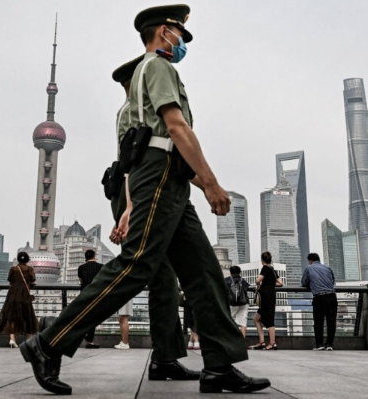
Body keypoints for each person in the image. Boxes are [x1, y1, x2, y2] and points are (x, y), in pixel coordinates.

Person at [18, 5, 270, 395]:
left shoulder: (149, 75)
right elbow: (175, 127)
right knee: (137, 263)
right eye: (180, 34)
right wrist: (211, 182)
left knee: (203, 270)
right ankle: (49, 342)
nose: (183, 42)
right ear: (164, 31)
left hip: (172, 180)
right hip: (163, 172)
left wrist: (192, 186)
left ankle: (219, 365)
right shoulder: (158, 67)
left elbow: (149, 151)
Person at [107, 57, 196, 375]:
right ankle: (53, 340)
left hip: (152, 193)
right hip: (135, 195)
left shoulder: (142, 110)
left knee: (164, 278)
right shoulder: (130, 113)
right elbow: (131, 166)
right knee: (146, 271)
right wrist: (130, 210)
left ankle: (166, 357)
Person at [0, 252, 40, 348]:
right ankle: (29, 341)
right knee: (28, 317)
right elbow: (33, 280)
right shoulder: (30, 269)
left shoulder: (13, 269)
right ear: (27, 259)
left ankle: (12, 340)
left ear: (18, 259)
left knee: (12, 318)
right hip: (25, 296)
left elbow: (10, 280)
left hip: (13, 296)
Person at [301, 253, 337, 351]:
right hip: (332, 296)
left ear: (310, 261)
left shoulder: (309, 268)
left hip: (319, 297)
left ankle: (319, 344)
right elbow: (333, 281)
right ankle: (330, 345)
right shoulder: (328, 268)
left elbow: (304, 282)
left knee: (318, 322)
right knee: (331, 322)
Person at [250, 252, 283, 350]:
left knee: (269, 321)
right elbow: (280, 283)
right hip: (270, 297)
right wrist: (270, 284)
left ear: (262, 260)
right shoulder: (272, 269)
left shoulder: (265, 268)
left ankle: (272, 343)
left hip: (266, 298)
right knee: (256, 319)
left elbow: (257, 280)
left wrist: (264, 284)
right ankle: (262, 342)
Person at [76, 249, 104, 349]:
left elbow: (81, 281)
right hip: (95, 294)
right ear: (94, 256)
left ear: (86, 257)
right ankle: (90, 340)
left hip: (84, 293)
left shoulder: (81, 268)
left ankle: (83, 334)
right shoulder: (101, 267)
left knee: (84, 316)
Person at [225, 265, 250, 337]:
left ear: (230, 272)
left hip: (231, 303)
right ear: (240, 272)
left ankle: (230, 341)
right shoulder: (243, 280)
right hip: (244, 303)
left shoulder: (227, 280)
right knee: (243, 322)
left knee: (229, 321)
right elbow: (247, 288)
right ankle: (242, 342)